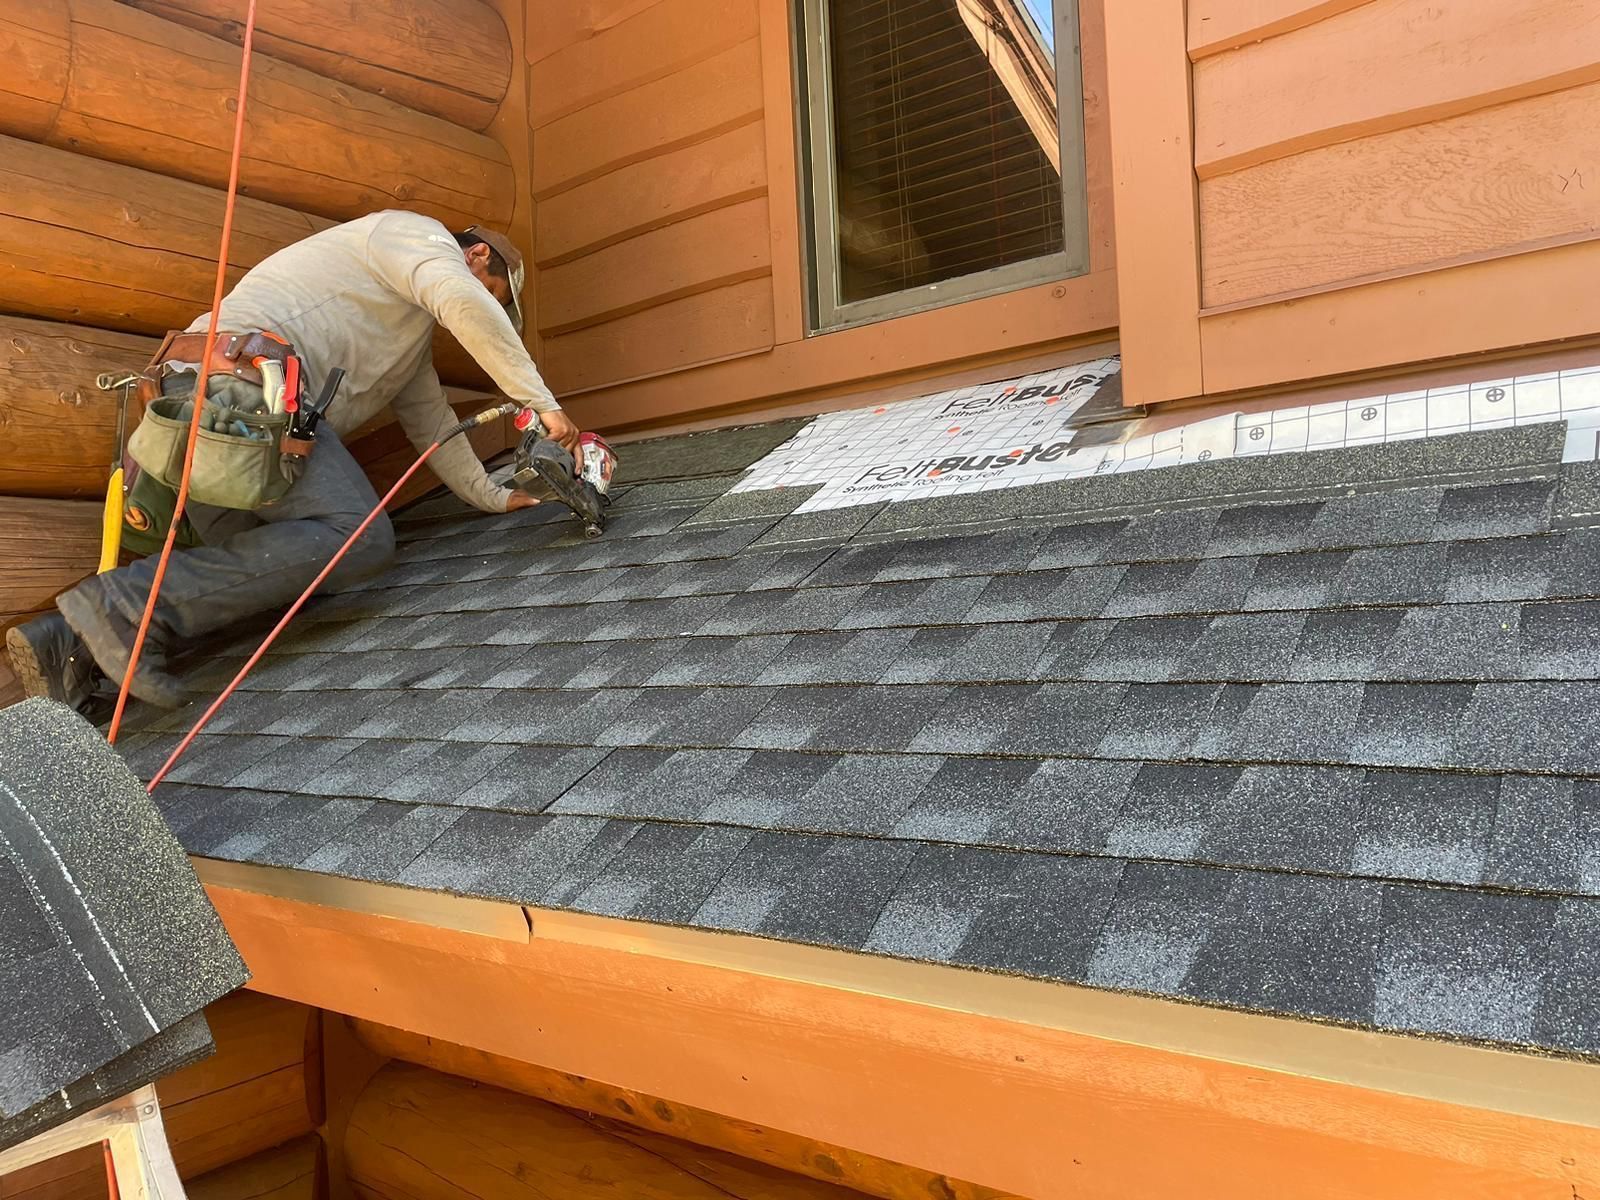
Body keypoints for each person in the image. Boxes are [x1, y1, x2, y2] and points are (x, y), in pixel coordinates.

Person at [6, 210, 579, 712]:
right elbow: (459, 298)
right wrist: (542, 405)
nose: (481, 306)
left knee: (283, 570)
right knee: (358, 539)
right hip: (236, 400)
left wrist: (491, 494)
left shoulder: (404, 340)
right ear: (476, 255)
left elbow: (432, 422)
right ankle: (121, 604)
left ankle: (67, 644)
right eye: (492, 293)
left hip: (208, 426)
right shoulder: (410, 233)